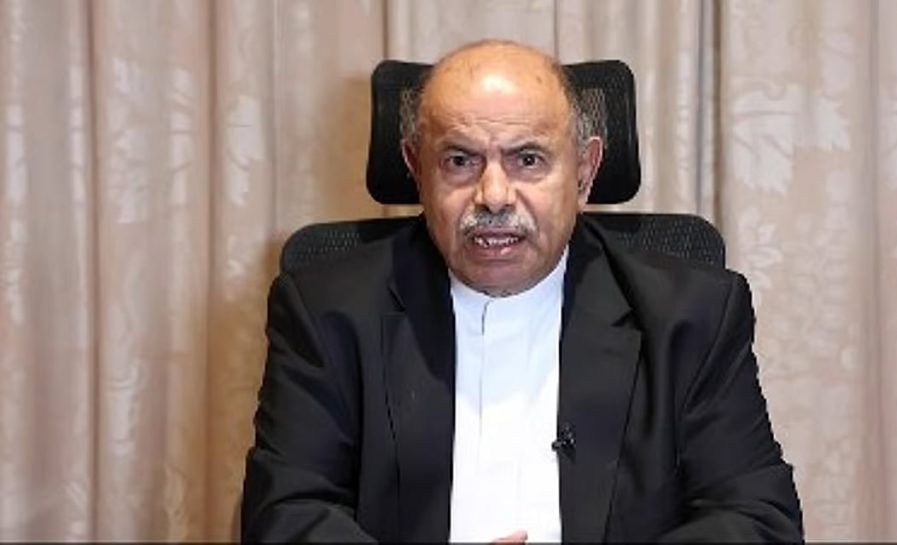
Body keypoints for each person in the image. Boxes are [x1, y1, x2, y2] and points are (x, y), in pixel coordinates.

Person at [242, 39, 802, 543]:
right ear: (417, 169)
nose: (493, 195)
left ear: (584, 172)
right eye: (459, 161)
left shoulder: (691, 314)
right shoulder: (326, 311)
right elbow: (285, 515)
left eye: (527, 160)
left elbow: (758, 520)